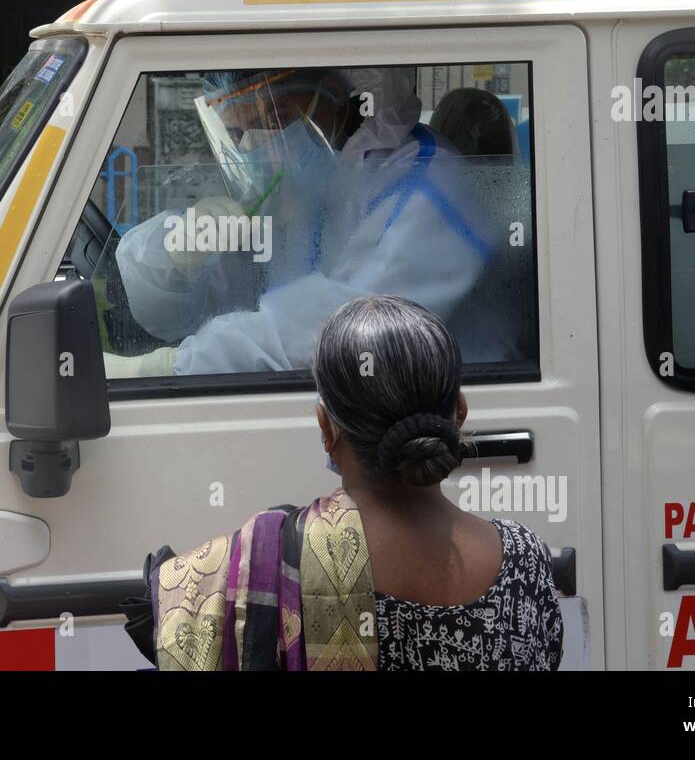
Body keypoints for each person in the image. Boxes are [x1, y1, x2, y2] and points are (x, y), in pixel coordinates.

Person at [122, 294, 564, 670]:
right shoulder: (526, 562)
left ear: (326, 428)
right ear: (460, 413)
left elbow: (166, 609)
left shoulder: (271, 560)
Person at [105, 67, 496, 377]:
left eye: (275, 117)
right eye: (239, 131)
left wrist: (168, 368)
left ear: (331, 92)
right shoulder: (318, 185)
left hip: (433, 437)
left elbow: (333, 333)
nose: (256, 144)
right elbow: (195, 306)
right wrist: (176, 256)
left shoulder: (425, 186)